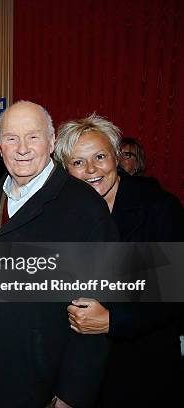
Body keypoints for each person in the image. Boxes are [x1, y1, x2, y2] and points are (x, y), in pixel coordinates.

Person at [0, 101, 118, 408]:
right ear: (0, 147)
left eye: (33, 137)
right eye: (11, 138)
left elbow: (95, 313)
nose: (22, 148)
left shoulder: (84, 208)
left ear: (51, 142)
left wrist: (72, 394)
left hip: (34, 377)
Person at [54, 114, 184, 407]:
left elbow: (175, 294)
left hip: (143, 371)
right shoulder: (63, 216)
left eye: (100, 156)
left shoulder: (158, 208)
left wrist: (113, 321)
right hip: (82, 375)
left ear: (116, 156)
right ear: (66, 170)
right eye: (78, 162)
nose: (91, 169)